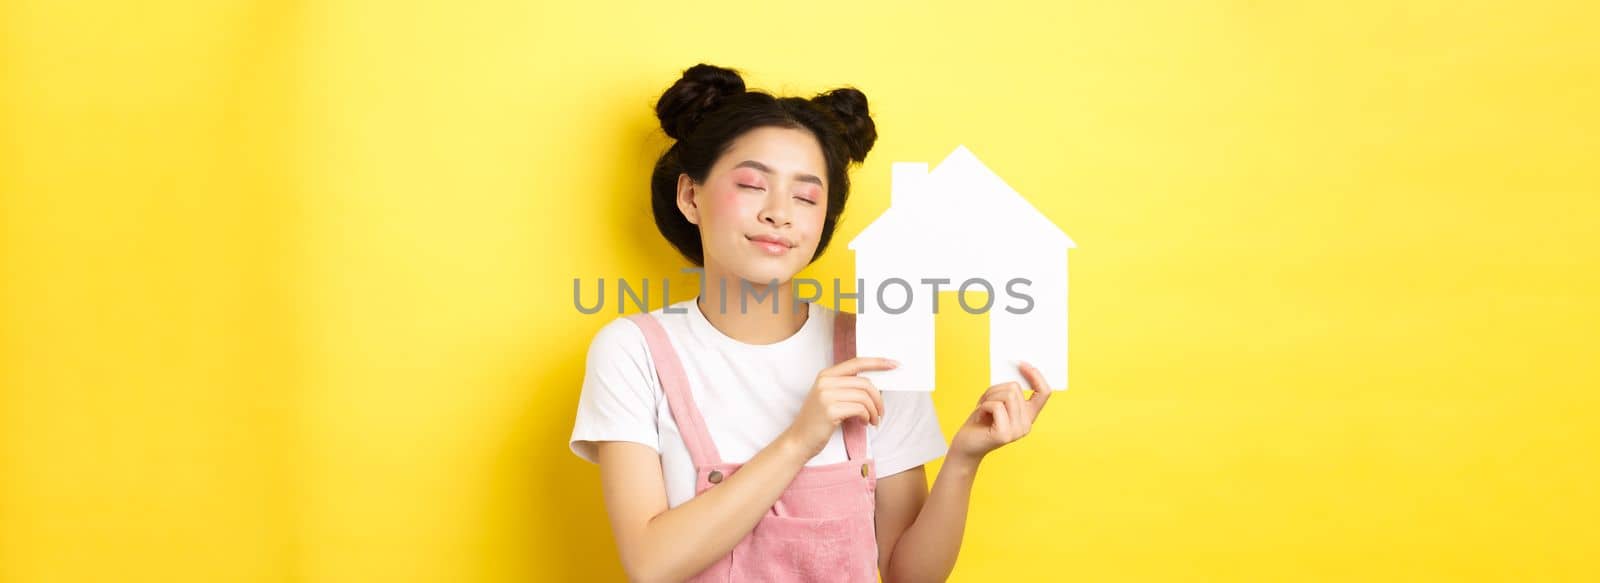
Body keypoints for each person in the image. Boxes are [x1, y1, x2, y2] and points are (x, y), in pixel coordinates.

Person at [568, 63, 1054, 582]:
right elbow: (651, 564)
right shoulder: (633, 351)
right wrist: (802, 438)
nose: (780, 213)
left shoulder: (877, 349)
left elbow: (908, 576)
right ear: (691, 196)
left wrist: (963, 460)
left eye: (805, 196)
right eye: (753, 185)